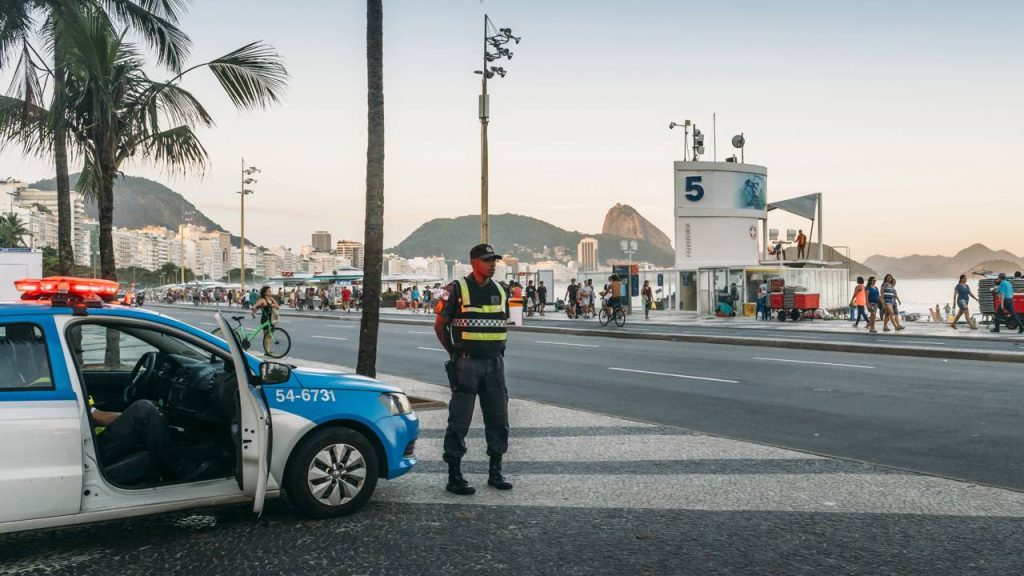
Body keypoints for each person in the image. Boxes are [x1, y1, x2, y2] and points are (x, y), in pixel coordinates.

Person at [434, 243, 513, 495]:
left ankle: (495, 471)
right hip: (467, 364)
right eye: (487, 260)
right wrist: (454, 353)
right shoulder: (456, 289)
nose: (492, 264)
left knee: (499, 419)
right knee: (459, 420)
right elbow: (440, 325)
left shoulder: (501, 290)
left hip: (494, 364)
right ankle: (454, 475)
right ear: (473, 262)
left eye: (494, 260)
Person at [89, 397, 212, 481]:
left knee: (150, 411)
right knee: (143, 410)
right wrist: (132, 418)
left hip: (89, 443)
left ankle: (191, 455)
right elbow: (102, 418)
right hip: (92, 449)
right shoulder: (75, 395)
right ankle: (179, 469)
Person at [251, 285, 280, 355]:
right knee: (266, 336)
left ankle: (268, 350)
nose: (270, 292)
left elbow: (278, 307)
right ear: (264, 292)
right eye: (268, 291)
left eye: (270, 290)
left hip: (272, 319)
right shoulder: (262, 300)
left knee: (270, 336)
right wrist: (254, 310)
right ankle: (266, 351)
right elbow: (254, 306)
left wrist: (273, 305)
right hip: (265, 319)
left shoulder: (271, 299)